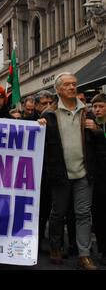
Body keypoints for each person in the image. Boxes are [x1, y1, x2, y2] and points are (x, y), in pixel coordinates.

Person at [42, 72, 100, 270]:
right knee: (58, 213)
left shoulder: (88, 113)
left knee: (83, 214)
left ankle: (84, 255)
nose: (72, 87)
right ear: (58, 89)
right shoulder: (48, 115)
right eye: (67, 85)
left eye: (74, 84)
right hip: (60, 174)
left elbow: (99, 142)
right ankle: (56, 247)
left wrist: (96, 129)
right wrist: (38, 127)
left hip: (84, 173)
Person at [90, 93, 106, 265]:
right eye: (95, 107)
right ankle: (102, 250)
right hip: (97, 180)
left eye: (101, 106)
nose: (97, 110)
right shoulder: (90, 126)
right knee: (99, 217)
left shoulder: (98, 128)